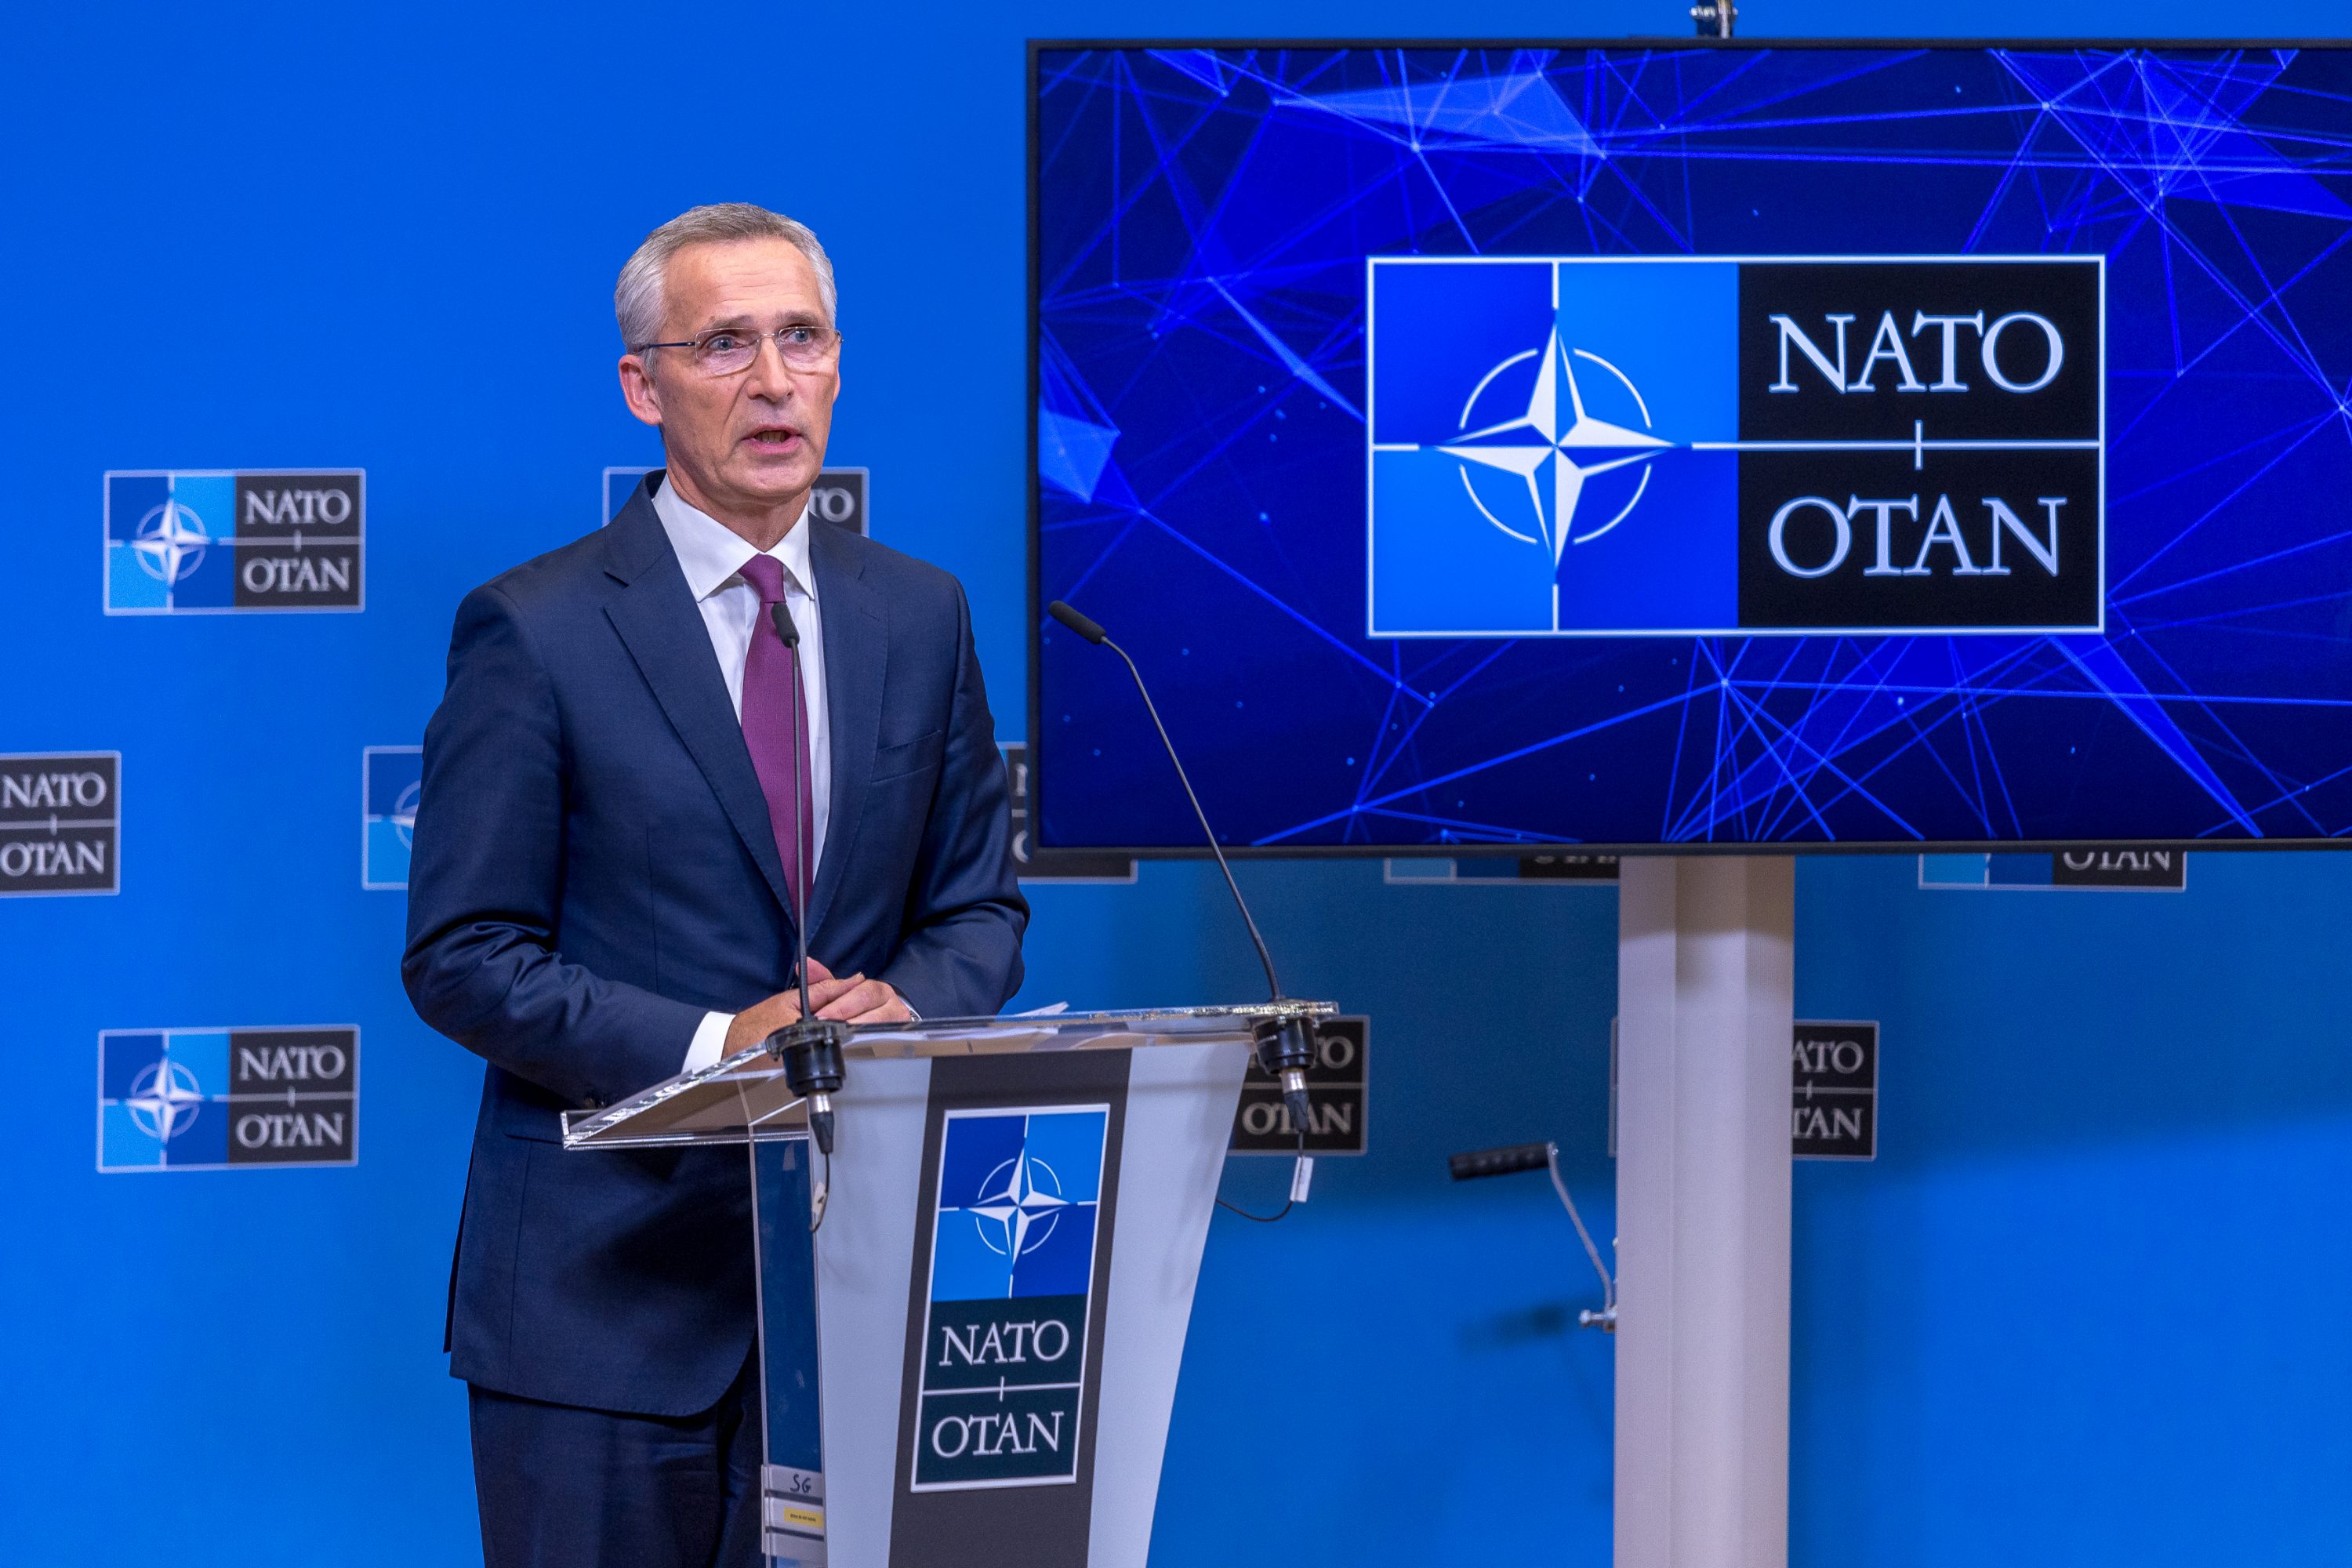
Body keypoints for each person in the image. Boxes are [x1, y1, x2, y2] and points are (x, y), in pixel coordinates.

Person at [402, 202, 1027, 1566]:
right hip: (601, 1315)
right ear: (645, 385)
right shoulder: (536, 628)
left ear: (839, 364)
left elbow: (980, 909)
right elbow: (463, 951)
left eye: (800, 339)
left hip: (853, 1290)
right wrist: (717, 1051)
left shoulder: (921, 614)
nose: (772, 380)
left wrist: (901, 1004)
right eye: (725, 344)